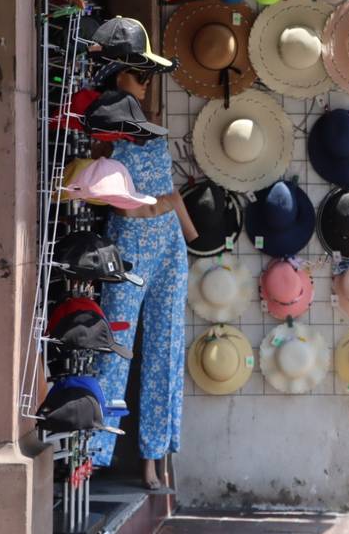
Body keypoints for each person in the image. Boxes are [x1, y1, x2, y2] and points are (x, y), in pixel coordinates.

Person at [91, 66, 199, 490]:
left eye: (145, 76)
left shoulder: (153, 130)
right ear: (115, 79)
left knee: (166, 350)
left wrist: (180, 225)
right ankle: (94, 452)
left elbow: (167, 190)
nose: (145, 81)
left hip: (168, 243)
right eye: (137, 74)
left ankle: (155, 457)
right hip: (130, 244)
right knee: (115, 347)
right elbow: (105, 196)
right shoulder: (103, 137)